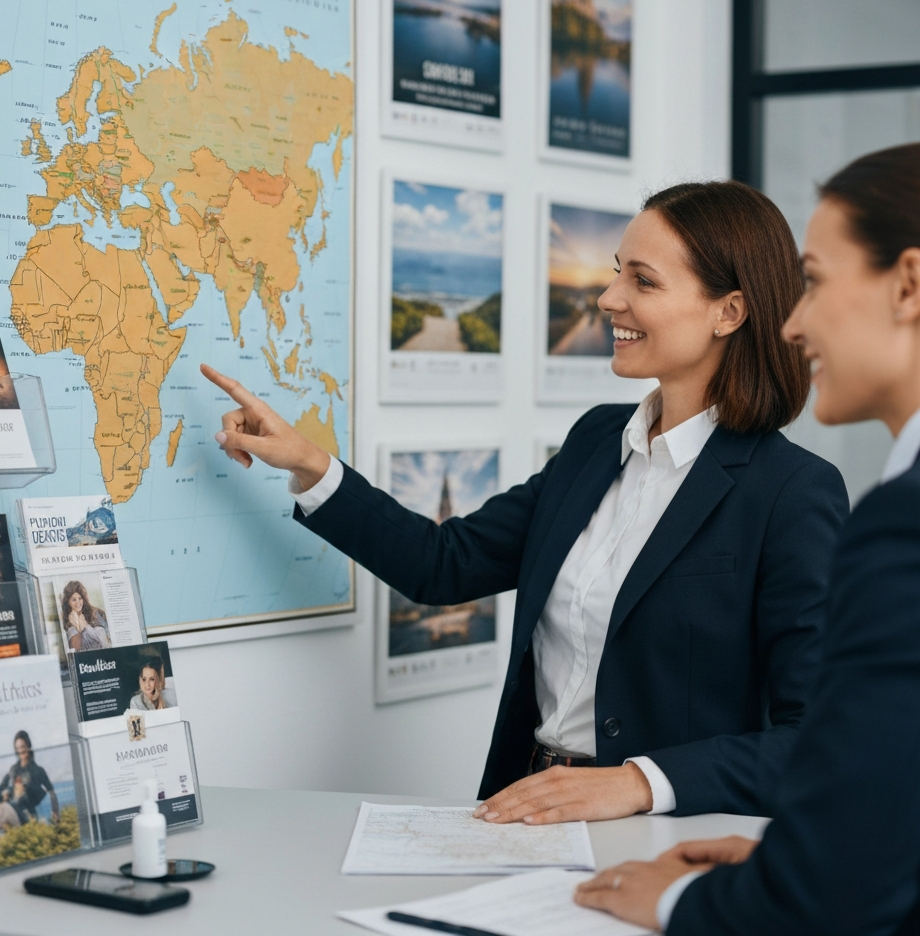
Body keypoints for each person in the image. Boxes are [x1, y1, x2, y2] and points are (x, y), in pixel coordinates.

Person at [202, 180, 849, 822]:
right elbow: (442, 562)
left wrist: (638, 783)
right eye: (618, 272)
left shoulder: (791, 494)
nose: (608, 298)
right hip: (523, 807)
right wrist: (310, 464)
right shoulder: (597, 441)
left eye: (643, 283)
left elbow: (812, 738)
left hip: (662, 844)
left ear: (728, 312)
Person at [574, 143, 920, 933]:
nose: (794, 321)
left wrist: (676, 899)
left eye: (818, 283)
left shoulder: (888, 519)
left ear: (907, 285)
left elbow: (840, 879)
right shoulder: (597, 443)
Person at [0, 730, 60, 843]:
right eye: (18, 748)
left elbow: (51, 792)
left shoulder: (37, 770)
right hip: (11, 811)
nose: (21, 750)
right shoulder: (13, 770)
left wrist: (56, 817)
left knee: (0, 811)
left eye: (23, 746)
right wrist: (5, 795)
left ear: (28, 746)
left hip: (26, 816)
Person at [60, 579, 111, 652]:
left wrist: (84, 625)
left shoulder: (95, 613)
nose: (78, 603)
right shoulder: (68, 618)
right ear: (68, 602)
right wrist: (76, 626)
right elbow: (75, 648)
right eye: (74, 600)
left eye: (80, 598)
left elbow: (104, 643)